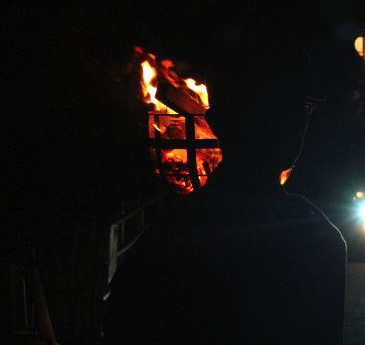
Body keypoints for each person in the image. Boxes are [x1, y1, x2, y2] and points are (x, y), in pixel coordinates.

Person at [103, 36, 347, 344]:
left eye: (301, 108)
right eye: (290, 108)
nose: (297, 123)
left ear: (215, 122)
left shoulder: (167, 235)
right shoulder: (318, 240)